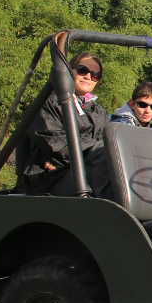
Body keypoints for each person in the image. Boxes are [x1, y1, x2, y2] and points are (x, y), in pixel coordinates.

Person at [22, 52, 112, 198]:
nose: (88, 77)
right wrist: (93, 151)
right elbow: (54, 143)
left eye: (95, 75)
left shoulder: (98, 112)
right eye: (83, 70)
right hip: (50, 175)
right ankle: (108, 210)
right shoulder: (51, 103)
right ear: (70, 72)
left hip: (83, 169)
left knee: (113, 160)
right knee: (103, 158)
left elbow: (105, 142)